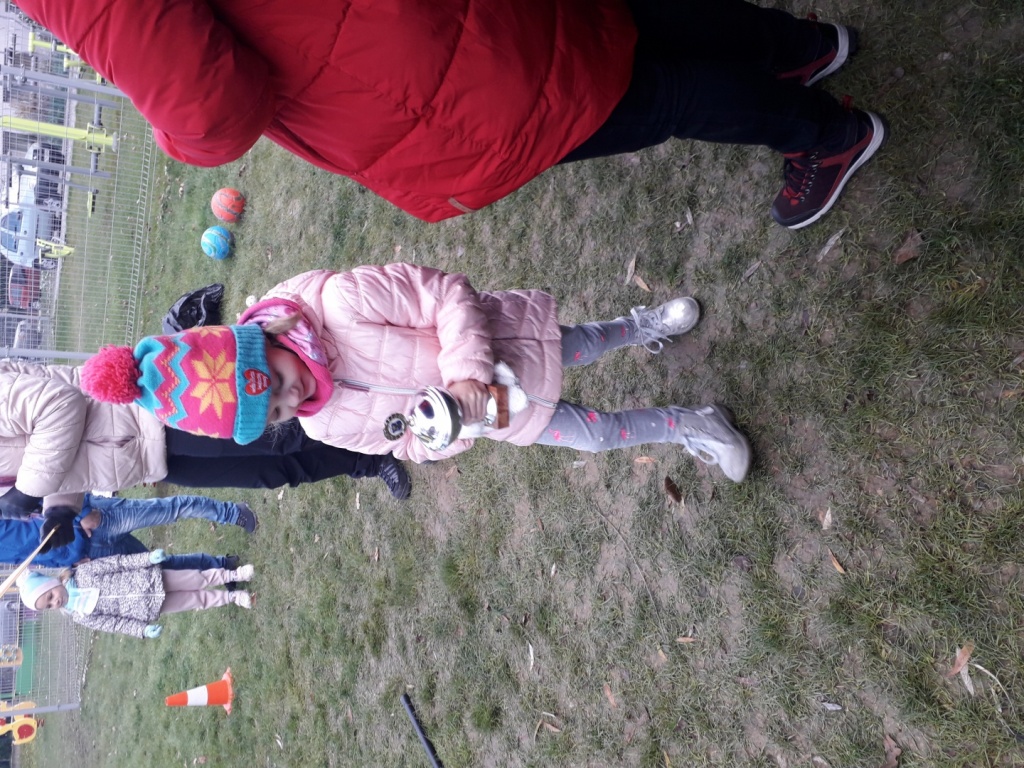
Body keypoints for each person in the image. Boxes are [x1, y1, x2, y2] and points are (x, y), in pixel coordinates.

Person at [15, 0, 883, 230]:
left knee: (623, 93)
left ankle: (829, 135)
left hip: (395, 58)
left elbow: (209, 105)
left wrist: (173, 137)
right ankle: (803, 46)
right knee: (614, 20)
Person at [81, 263, 752, 483]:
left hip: (506, 348)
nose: (294, 397)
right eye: (279, 412)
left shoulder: (340, 301)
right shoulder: (325, 424)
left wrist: (466, 374)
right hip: (499, 416)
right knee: (596, 435)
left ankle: (644, 325)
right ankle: (693, 423)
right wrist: (441, 435)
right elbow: (398, 444)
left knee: (586, 343)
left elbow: (446, 294)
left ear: (263, 341)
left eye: (277, 383)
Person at [0, 358, 412, 549]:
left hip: (154, 413)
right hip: (145, 462)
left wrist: (29, 489)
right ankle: (368, 460)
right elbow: (60, 460)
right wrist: (59, 510)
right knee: (274, 472)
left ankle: (386, 420)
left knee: (284, 435)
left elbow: (59, 406)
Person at [16, 553, 254, 638]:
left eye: (50, 596)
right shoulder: (80, 614)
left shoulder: (85, 573)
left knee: (197, 578)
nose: (55, 602)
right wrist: (142, 630)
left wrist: (146, 559)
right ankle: (232, 598)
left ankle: (232, 574)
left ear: (51, 583)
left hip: (152, 579)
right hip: (150, 608)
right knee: (195, 601)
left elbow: (118, 563)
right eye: (49, 606)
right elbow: (114, 624)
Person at [0, 491, 257, 570]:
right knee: (160, 569)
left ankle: (234, 513)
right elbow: (28, 554)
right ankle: (221, 567)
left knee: (170, 510)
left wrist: (81, 511)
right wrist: (70, 561)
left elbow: (34, 487)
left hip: (94, 520)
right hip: (92, 554)